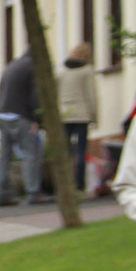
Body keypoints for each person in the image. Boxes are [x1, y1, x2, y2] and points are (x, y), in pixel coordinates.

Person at [0, 51, 48, 206]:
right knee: (30, 154)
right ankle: (33, 193)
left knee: (4, 156)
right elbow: (34, 95)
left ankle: (0, 194)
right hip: (20, 116)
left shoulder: (12, 65)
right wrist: (36, 119)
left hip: (1, 114)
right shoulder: (32, 67)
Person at [57, 42, 97, 194]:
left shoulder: (62, 70)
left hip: (64, 115)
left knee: (67, 152)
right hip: (81, 114)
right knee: (80, 150)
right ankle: (80, 185)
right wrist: (94, 116)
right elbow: (91, 95)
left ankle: (66, 185)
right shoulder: (87, 70)